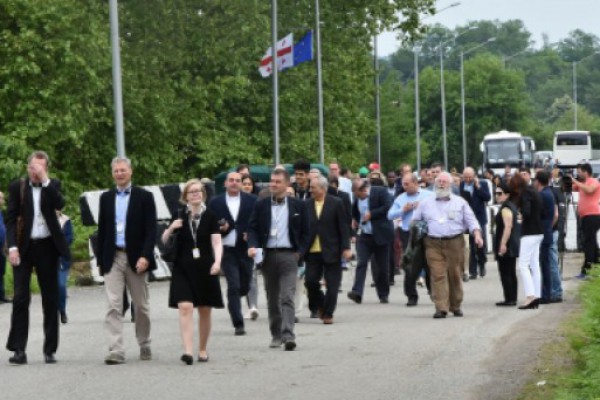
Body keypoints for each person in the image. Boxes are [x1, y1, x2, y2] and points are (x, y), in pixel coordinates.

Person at [5, 151, 69, 365]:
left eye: (40, 168)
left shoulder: (53, 185)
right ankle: (18, 350)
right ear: (27, 167)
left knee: (50, 299)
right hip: (24, 247)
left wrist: (46, 181)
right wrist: (12, 247)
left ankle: (49, 349)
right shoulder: (18, 187)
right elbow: (11, 219)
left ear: (46, 169)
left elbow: (60, 204)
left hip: (47, 247)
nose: (35, 172)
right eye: (33, 167)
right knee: (21, 298)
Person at [96, 156, 157, 365]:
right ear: (112, 174)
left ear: (130, 172)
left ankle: (144, 342)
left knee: (140, 305)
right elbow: (102, 230)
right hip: (112, 257)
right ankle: (116, 350)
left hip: (137, 257)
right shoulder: (105, 198)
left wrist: (145, 256)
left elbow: (151, 230)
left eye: (123, 170)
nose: (119, 174)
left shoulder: (144, 197)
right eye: (116, 171)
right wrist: (100, 261)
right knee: (113, 305)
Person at [162, 179, 223, 364]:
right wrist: (172, 227)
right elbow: (164, 240)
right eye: (192, 192)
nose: (196, 194)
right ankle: (187, 351)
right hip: (183, 266)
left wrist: (218, 262)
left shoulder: (211, 216)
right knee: (185, 307)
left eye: (198, 191)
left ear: (203, 194)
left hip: (205, 266)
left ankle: (202, 349)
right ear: (185, 196)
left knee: (205, 309)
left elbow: (217, 242)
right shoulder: (179, 214)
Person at [248, 169, 309, 351]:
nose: (273, 184)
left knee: (287, 295)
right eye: (271, 181)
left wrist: (300, 253)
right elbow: (252, 228)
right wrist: (253, 245)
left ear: (287, 184)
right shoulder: (261, 205)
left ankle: (288, 334)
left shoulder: (298, 206)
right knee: (272, 297)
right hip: (268, 255)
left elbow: (307, 232)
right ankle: (276, 334)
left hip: (289, 255)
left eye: (277, 182)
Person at [412, 172, 483, 319]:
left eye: (444, 181)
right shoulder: (425, 203)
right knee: (437, 275)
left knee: (455, 274)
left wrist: (476, 234)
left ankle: (455, 305)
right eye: (439, 181)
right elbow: (414, 221)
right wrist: (416, 231)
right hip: (433, 243)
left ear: (450, 184)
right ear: (435, 184)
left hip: (455, 243)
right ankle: (441, 308)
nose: (441, 184)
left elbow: (471, 220)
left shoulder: (460, 202)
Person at [208, 172, 257, 336]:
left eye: (238, 181)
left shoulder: (251, 200)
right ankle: (238, 323)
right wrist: (220, 229)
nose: (235, 183)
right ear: (225, 183)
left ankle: (240, 294)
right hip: (227, 249)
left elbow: (257, 222)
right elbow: (210, 224)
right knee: (233, 285)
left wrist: (251, 235)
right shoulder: (216, 202)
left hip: (245, 249)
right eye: (231, 180)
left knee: (245, 284)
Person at [304, 176, 351, 324]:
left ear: (323, 189)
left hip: (332, 249)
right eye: (310, 187)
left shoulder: (336, 203)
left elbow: (343, 227)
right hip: (312, 250)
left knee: (332, 284)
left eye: (313, 187)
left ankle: (328, 313)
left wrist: (346, 247)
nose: (310, 190)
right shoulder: (306, 204)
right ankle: (319, 304)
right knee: (310, 282)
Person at [387, 173, 432, 306]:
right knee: (409, 265)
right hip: (408, 233)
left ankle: (433, 291)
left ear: (415, 183)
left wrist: (423, 208)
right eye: (403, 184)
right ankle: (411, 295)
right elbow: (389, 215)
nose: (404, 187)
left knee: (429, 263)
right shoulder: (401, 198)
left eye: (407, 184)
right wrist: (402, 210)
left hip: (426, 232)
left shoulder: (427, 195)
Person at [347, 179, 394, 304]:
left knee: (382, 267)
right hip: (365, 236)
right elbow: (355, 212)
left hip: (381, 235)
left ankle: (383, 294)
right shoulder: (357, 199)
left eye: (357, 194)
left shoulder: (380, 191)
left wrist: (372, 214)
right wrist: (355, 221)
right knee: (361, 262)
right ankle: (357, 292)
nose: (356, 196)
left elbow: (388, 206)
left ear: (363, 190)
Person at [510, 173, 544, 309]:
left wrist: (520, 213)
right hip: (539, 231)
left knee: (523, 265)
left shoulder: (525, 194)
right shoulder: (534, 191)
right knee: (534, 264)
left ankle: (530, 296)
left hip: (529, 232)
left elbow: (527, 211)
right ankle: (537, 294)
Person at [460, 167, 491, 279]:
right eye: (466, 177)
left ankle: (482, 263)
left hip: (479, 218)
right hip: (466, 219)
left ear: (474, 176)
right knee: (468, 245)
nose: (468, 179)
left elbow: (487, 197)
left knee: (479, 245)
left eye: (470, 177)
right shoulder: (461, 185)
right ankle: (473, 270)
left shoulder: (482, 183)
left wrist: (478, 187)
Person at [493, 183, 520, 306]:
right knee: (510, 271)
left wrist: (503, 244)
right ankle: (511, 297)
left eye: (500, 193)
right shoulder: (512, 206)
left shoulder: (505, 208)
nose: (497, 196)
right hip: (512, 243)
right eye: (496, 193)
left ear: (507, 194)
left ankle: (509, 298)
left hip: (507, 244)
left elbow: (508, 226)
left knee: (506, 272)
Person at [572, 162, 600, 277]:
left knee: (589, 242)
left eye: (579, 172)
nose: (578, 174)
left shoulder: (593, 181)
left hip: (592, 215)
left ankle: (587, 269)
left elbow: (589, 190)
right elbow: (567, 188)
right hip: (585, 216)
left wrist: (576, 181)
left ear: (586, 172)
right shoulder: (582, 184)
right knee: (591, 242)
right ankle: (595, 266)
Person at [535, 171, 557, 305]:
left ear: (538, 181)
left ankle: (546, 294)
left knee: (544, 264)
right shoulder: (549, 193)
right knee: (545, 263)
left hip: (543, 232)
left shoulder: (542, 195)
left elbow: (538, 213)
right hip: (547, 230)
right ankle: (546, 292)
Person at [241, 174, 260, 319]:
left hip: (252, 243)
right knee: (242, 276)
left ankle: (253, 306)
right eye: (245, 183)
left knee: (252, 275)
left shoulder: (256, 201)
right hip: (236, 244)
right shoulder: (233, 201)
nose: (247, 186)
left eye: (249, 184)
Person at [57, 211, 73, 324]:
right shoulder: (43, 220)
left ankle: (62, 311)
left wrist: (60, 246)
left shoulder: (66, 220)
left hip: (62, 258)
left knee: (61, 285)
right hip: (47, 258)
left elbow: (70, 237)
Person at [0, 191, 10, 303]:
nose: (2, 200)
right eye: (0, 198)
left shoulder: (2, 213)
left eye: (2, 198)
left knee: (1, 272)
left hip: (1, 247)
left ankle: (1, 295)